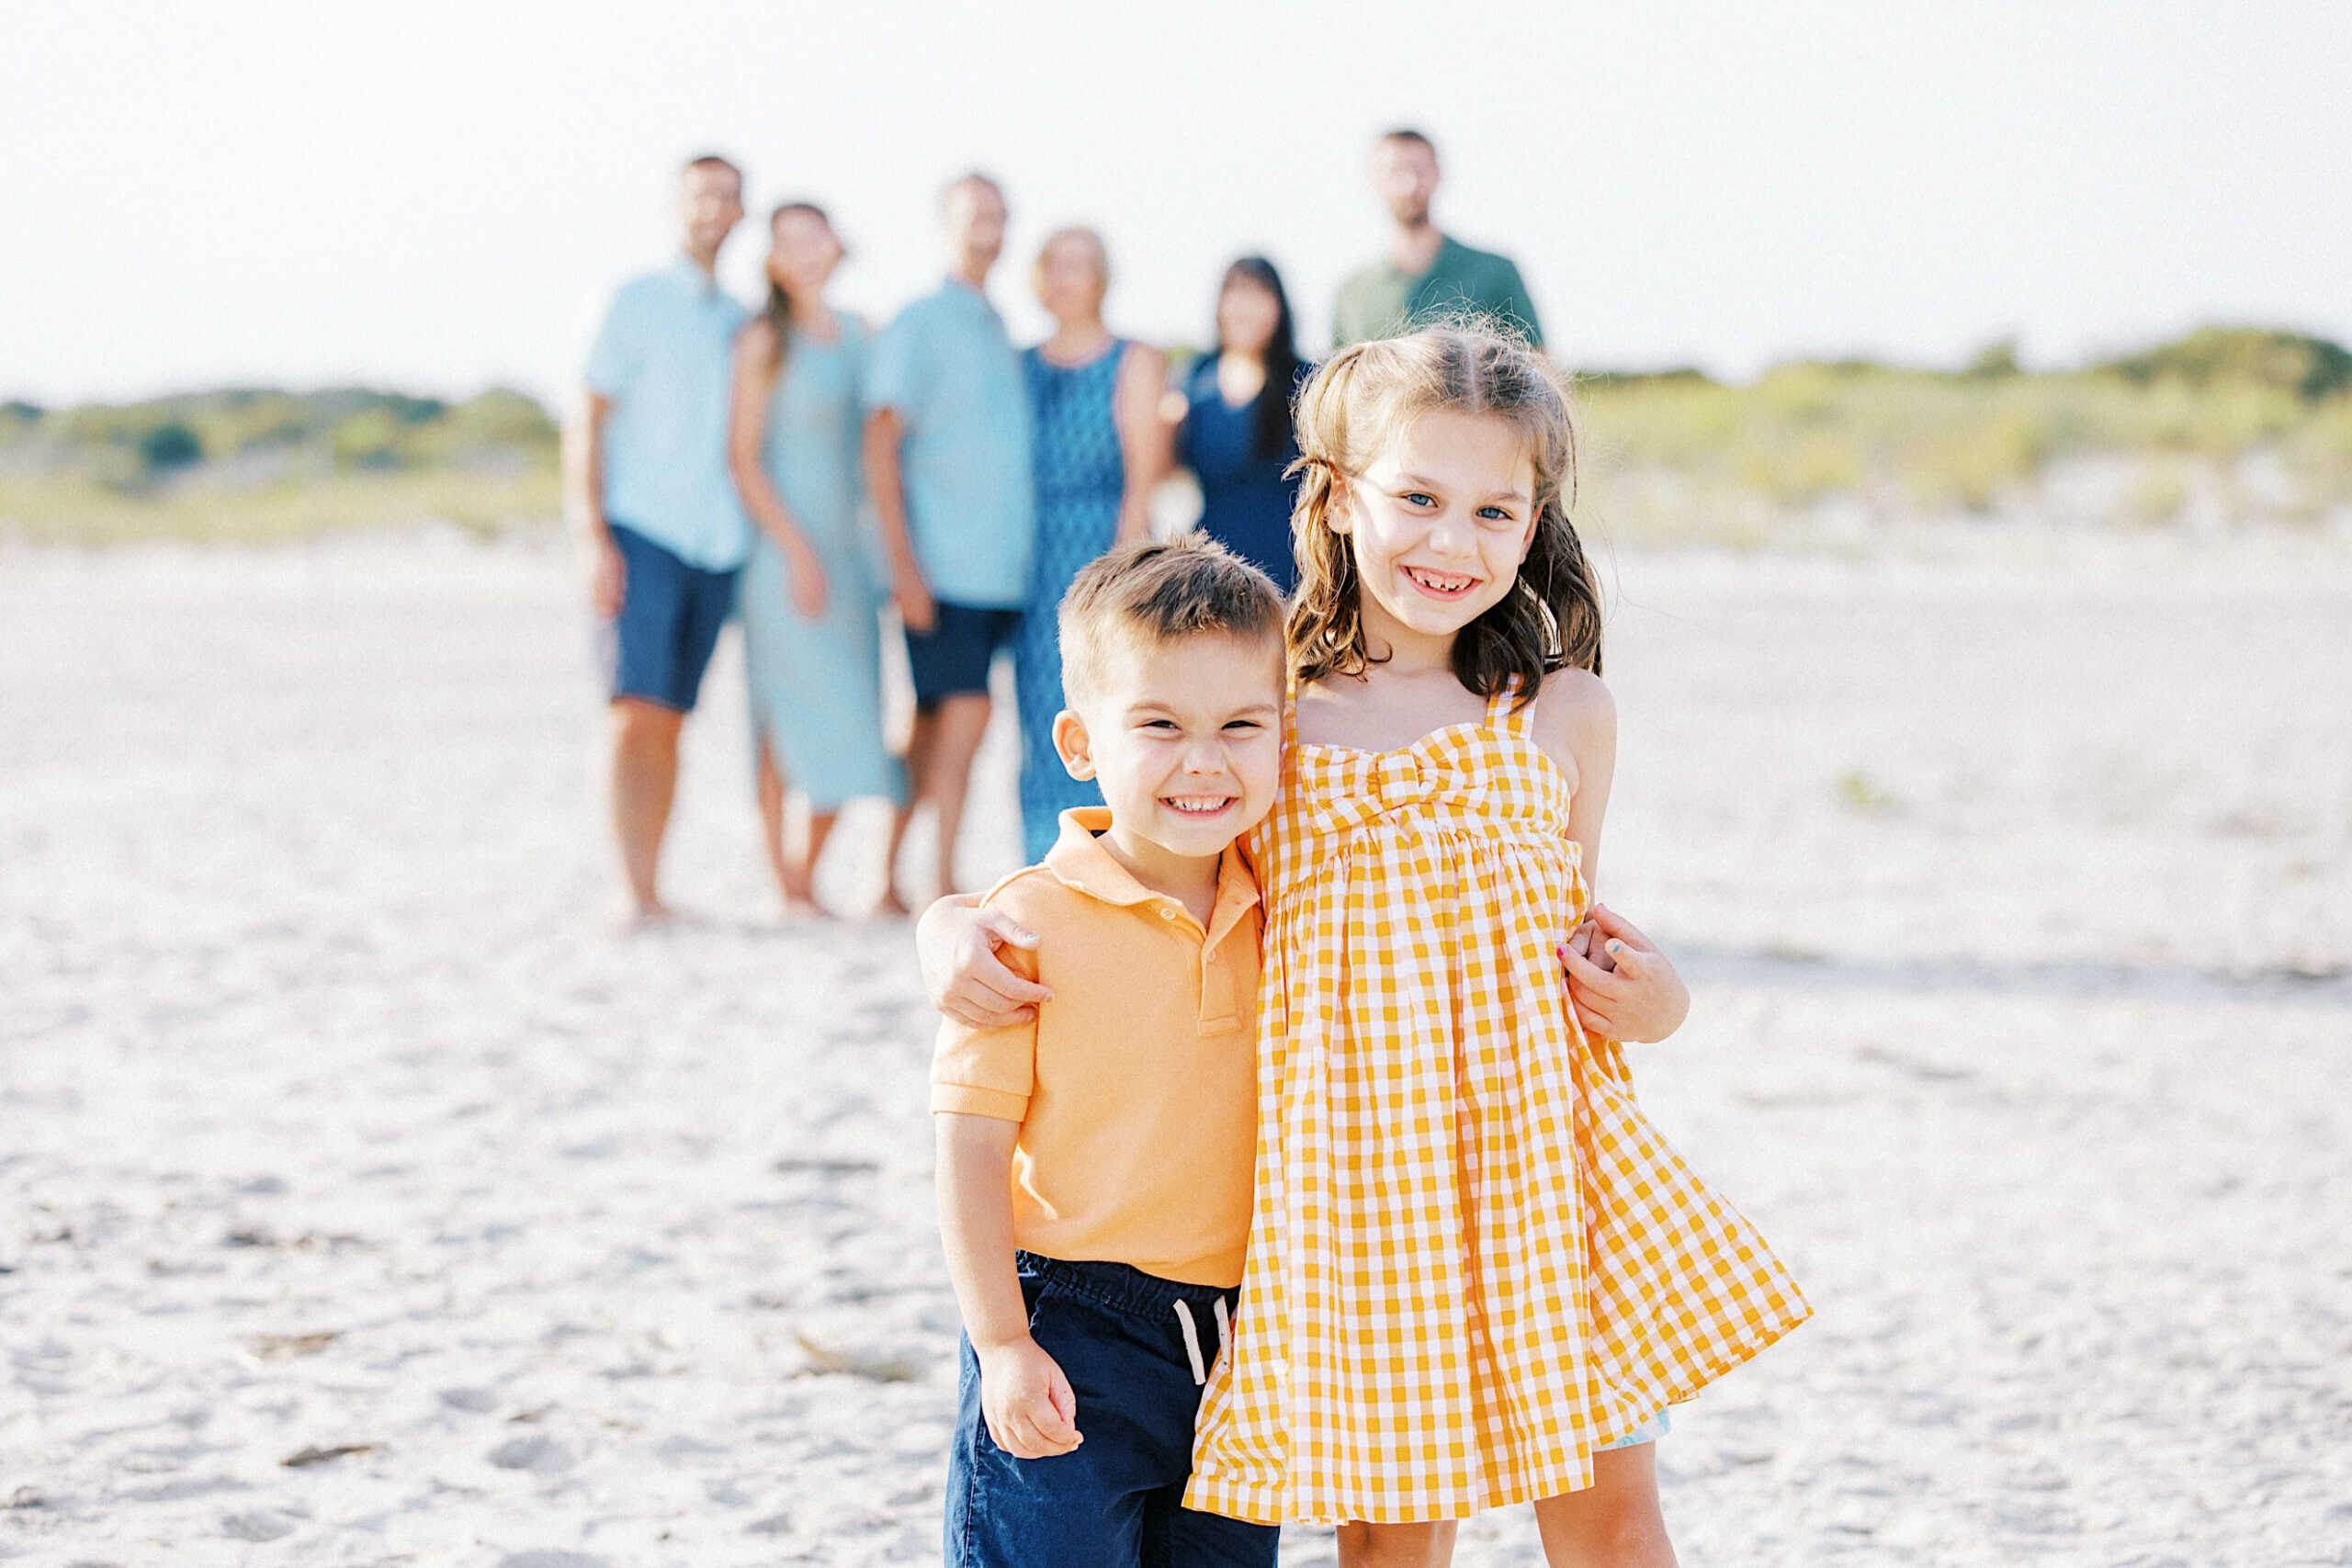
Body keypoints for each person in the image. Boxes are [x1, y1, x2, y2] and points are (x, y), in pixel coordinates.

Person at [920, 328, 1810, 1565]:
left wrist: (1655, 1005)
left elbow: (1577, 947)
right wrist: (948, 924)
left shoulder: (1565, 711)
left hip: (1550, 1173)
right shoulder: (1269, 709)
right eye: (1417, 498)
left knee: (1612, 1514)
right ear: (1339, 495)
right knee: (1395, 1533)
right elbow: (1130, 866)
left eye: (1494, 509)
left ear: (1535, 518)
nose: (1452, 541)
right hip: (1366, 1192)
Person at [932, 536, 1285, 1568]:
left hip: (1242, 1338)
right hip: (1067, 1320)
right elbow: (968, 1152)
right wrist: (1002, 1343)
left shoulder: (1293, 909)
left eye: (1239, 727)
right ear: (1080, 742)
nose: (1204, 761)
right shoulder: (1022, 927)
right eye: (1160, 726)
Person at [564, 152, 751, 925]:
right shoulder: (634, 302)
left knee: (673, 715)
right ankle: (627, 886)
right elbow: (588, 417)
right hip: (641, 531)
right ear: (677, 205)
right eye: (701, 194)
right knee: (631, 709)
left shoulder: (744, 322)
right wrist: (590, 535)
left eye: (728, 197)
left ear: (741, 213)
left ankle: (655, 885)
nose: (713, 208)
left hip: (718, 541)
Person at [725, 200, 904, 918]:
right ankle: (789, 883)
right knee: (783, 717)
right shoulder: (763, 339)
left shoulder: (863, 334)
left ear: (837, 244)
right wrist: (797, 551)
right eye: (787, 243)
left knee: (856, 714)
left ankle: (807, 870)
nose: (803, 253)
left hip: (851, 557)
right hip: (783, 554)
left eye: (814, 237)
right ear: (771, 261)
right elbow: (742, 461)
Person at [865, 172, 1035, 902]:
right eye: (974, 217)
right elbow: (879, 440)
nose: (988, 230)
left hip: (1005, 570)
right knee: (965, 716)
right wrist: (904, 565)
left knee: (934, 726)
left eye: (999, 217)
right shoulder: (919, 320)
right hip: (943, 567)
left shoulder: (998, 324)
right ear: (945, 224)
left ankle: (888, 875)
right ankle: (940, 878)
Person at [1012, 227, 1170, 863]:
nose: (1064, 278)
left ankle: (1106, 853)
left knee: (1102, 700)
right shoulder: (1020, 362)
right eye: (1052, 265)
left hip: (1098, 546)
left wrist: (1122, 574)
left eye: (1077, 265)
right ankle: (1039, 854)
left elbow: (1143, 479)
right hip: (1030, 554)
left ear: (1100, 276)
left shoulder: (1133, 358)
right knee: (1036, 710)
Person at [1331, 129, 1544, 350]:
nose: (1410, 185)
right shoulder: (1352, 294)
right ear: (1374, 181)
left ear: (1437, 175)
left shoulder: (1496, 274)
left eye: (1420, 170)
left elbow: (1539, 369)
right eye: (1395, 172)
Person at [1169, 256, 1306, 596]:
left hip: (1289, 571)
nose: (1245, 307)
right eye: (1235, 293)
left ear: (1279, 307)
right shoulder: (1193, 378)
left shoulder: (1307, 383)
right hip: (1210, 571)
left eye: (1259, 294)